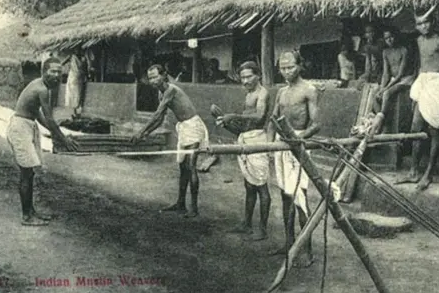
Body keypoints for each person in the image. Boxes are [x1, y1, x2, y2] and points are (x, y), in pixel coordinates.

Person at [6, 58, 78, 226]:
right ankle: (27, 217)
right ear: (44, 72)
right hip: (20, 128)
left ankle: (31, 211)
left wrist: (54, 132)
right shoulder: (42, 89)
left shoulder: (40, 85)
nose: (56, 75)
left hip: (27, 126)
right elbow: (50, 119)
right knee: (26, 173)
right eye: (52, 71)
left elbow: (36, 113)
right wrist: (62, 138)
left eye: (59, 72)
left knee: (29, 173)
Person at [130, 65, 209, 218]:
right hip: (184, 129)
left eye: (155, 76)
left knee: (190, 166)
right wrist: (146, 133)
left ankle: (194, 208)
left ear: (164, 75)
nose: (152, 80)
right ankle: (180, 204)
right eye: (150, 77)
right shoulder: (162, 94)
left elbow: (157, 113)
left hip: (193, 126)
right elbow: (159, 119)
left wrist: (140, 132)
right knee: (183, 167)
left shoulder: (171, 90)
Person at [266, 50, 320, 268]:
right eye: (283, 67)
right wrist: (270, 145)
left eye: (290, 67)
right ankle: (289, 243)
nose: (286, 71)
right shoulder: (281, 92)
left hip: (298, 143)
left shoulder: (309, 90)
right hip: (281, 143)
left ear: (300, 65)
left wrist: (298, 140)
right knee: (285, 195)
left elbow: (316, 124)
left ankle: (306, 250)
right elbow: (272, 120)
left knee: (300, 197)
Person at [396, 7, 439, 191]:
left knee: (434, 129)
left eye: (426, 22)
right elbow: (421, 65)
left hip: (436, 83)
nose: (423, 26)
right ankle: (413, 171)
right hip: (422, 82)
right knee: (415, 128)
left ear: (433, 22)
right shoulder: (419, 40)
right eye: (419, 23)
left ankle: (429, 173)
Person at [215, 61, 271, 241]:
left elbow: (259, 117)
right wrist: (226, 121)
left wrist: (233, 116)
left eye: (249, 77)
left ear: (258, 75)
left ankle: (262, 229)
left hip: (258, 140)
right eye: (243, 78)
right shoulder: (249, 93)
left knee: (261, 186)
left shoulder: (263, 93)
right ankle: (247, 224)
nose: (245, 81)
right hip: (246, 138)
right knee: (249, 184)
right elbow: (246, 122)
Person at [369, 26, 417, 136]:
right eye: (386, 38)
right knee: (376, 95)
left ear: (396, 37)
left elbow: (400, 74)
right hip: (393, 79)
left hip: (405, 79)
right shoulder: (385, 52)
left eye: (391, 37)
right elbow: (386, 73)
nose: (390, 40)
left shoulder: (403, 50)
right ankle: (383, 122)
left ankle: (381, 120)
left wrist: (386, 88)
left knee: (387, 93)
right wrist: (381, 87)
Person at [63, 50, 91, 116]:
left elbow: (86, 68)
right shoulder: (74, 57)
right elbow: (85, 69)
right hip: (74, 77)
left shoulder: (81, 58)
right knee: (75, 94)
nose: (77, 51)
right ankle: (75, 111)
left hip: (77, 78)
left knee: (77, 94)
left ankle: (76, 111)